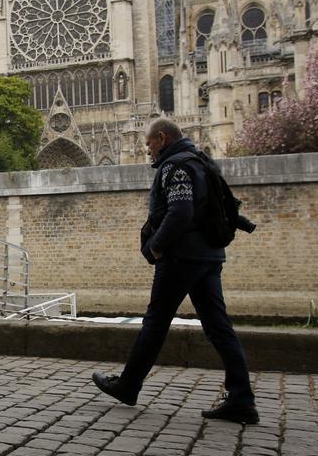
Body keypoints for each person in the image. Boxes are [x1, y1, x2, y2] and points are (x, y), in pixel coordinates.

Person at [91, 118, 258, 425]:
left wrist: (156, 246)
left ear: (163, 139)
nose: (148, 151)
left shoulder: (175, 166)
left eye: (149, 144)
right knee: (218, 326)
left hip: (182, 256)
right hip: (208, 255)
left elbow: (180, 211)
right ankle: (242, 398)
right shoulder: (200, 161)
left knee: (155, 323)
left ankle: (128, 385)